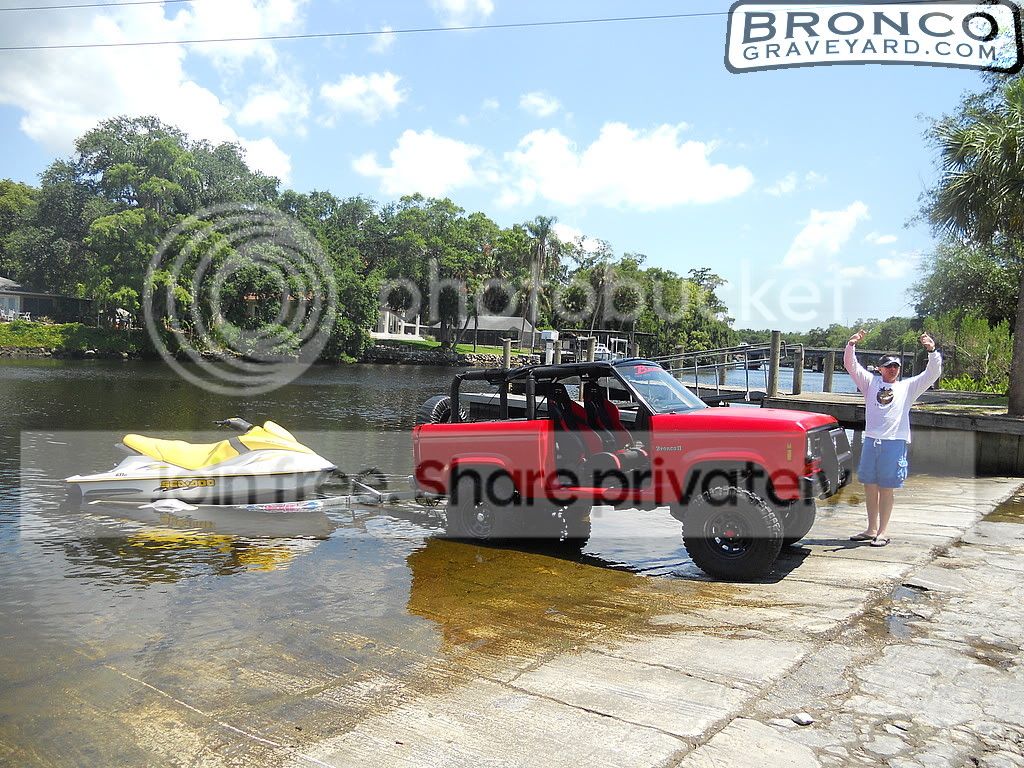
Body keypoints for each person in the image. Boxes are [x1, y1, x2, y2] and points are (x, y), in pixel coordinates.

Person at [844, 330, 942, 547]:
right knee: (869, 485)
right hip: (871, 441)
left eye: (896, 366)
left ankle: (883, 531)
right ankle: (870, 529)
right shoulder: (870, 383)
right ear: (880, 369)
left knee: (886, 487)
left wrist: (931, 350)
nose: (892, 369)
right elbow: (851, 366)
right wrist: (851, 345)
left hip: (894, 442)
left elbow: (932, 373)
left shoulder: (907, 387)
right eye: (888, 366)